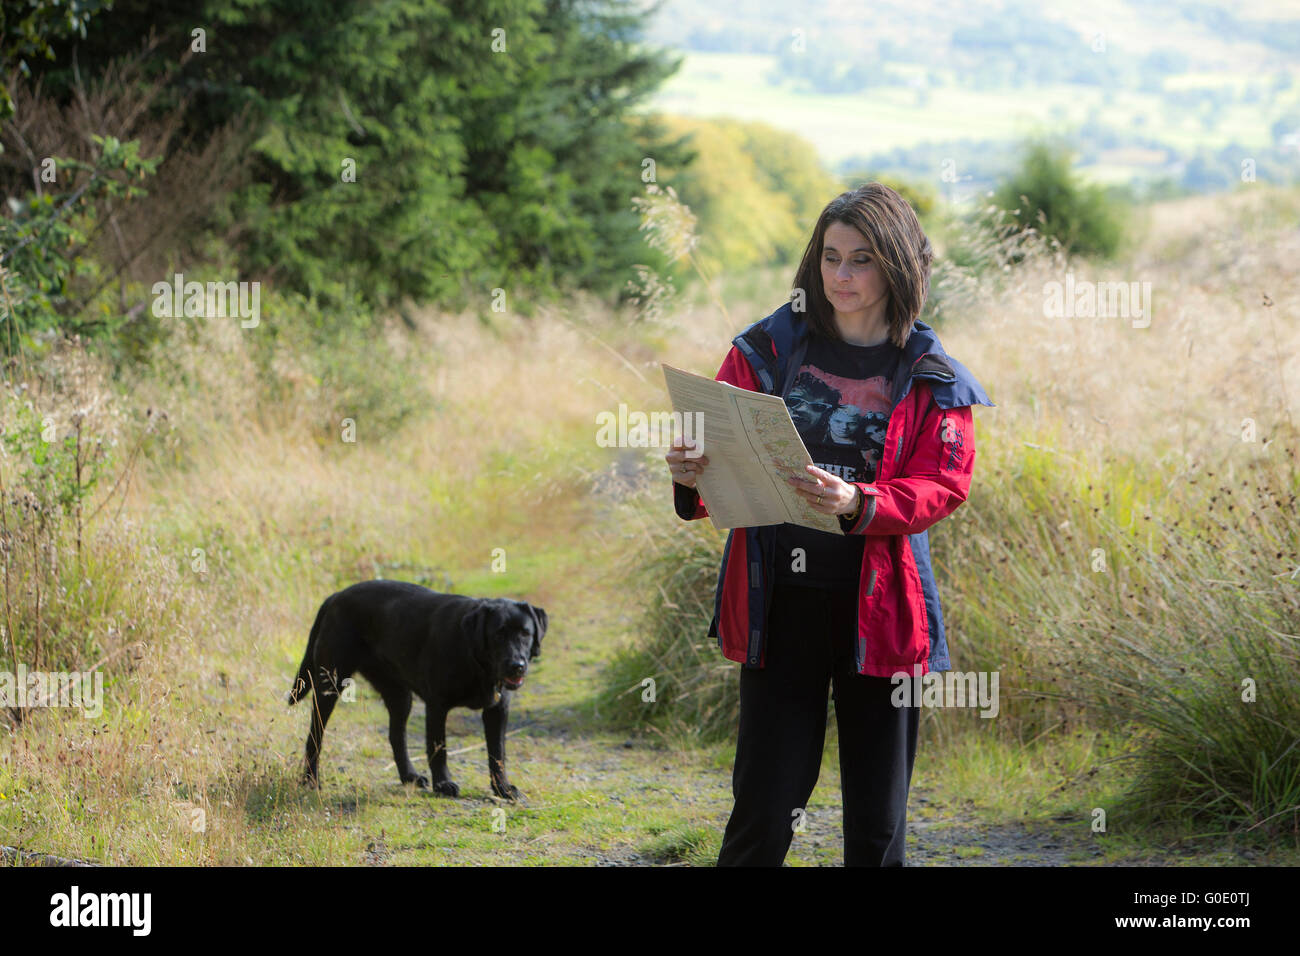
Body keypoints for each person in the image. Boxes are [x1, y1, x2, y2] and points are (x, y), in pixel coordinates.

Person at [665, 182, 995, 866]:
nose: (842, 276)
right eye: (831, 257)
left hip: (883, 611)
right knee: (763, 808)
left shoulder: (934, 376)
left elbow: (943, 484)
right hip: (780, 604)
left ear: (898, 265)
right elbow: (715, 458)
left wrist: (859, 503)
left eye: (863, 260)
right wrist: (691, 469)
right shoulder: (765, 348)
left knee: (876, 829)